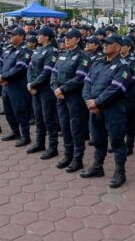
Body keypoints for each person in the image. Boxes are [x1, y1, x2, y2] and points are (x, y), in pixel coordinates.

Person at [81, 34, 131, 188]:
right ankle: (97, 167)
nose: (104, 45)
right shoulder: (97, 62)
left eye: (108, 43)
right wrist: (90, 102)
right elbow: (87, 83)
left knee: (116, 141)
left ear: (118, 46)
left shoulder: (123, 65)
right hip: (95, 109)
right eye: (104, 43)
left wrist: (97, 102)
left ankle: (120, 172)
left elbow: (116, 88)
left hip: (113, 110)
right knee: (97, 139)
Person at [51, 28, 91, 173]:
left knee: (76, 128)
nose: (66, 40)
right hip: (60, 96)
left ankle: (77, 158)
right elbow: (53, 73)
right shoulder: (62, 55)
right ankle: (68, 155)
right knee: (64, 126)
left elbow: (80, 78)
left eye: (70, 37)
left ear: (78, 39)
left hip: (74, 97)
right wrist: (55, 88)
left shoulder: (83, 56)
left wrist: (62, 89)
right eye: (65, 37)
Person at [26, 26, 60, 159]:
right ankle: (40, 143)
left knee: (48, 118)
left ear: (47, 37)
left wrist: (33, 84)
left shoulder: (52, 52)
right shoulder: (38, 50)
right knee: (38, 117)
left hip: (45, 90)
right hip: (35, 89)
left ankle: (53, 147)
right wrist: (30, 83)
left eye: (40, 34)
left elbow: (47, 72)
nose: (37, 36)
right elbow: (30, 68)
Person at [0, 27, 33, 146]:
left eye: (14, 35)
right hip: (6, 86)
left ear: (22, 36)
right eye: (10, 35)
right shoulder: (8, 49)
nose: (11, 37)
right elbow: (0, 62)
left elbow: (20, 68)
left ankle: (25, 136)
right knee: (8, 111)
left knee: (20, 111)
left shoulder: (25, 51)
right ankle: (15, 131)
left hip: (18, 87)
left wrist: (4, 77)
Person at [120, 37, 135, 155]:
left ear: (128, 47)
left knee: (130, 122)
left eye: (122, 45)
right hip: (118, 96)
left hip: (130, 96)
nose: (120, 47)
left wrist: (117, 83)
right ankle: (119, 143)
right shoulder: (117, 60)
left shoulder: (133, 61)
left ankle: (129, 145)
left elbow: (132, 78)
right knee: (119, 121)